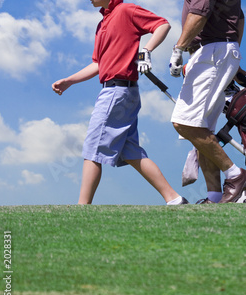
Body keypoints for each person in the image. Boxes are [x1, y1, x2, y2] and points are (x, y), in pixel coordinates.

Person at [52, 0, 188, 205]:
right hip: (120, 92)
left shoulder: (126, 10)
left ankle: (82, 208)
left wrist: (146, 50)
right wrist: (69, 81)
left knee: (93, 147)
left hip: (116, 92)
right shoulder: (101, 24)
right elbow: (98, 63)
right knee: (130, 151)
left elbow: (162, 24)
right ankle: (174, 199)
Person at [169, 0, 246, 204]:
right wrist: (234, 54)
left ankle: (235, 175)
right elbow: (239, 18)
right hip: (217, 51)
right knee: (202, 129)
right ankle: (214, 197)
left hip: (212, 52)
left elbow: (199, 13)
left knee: (184, 123)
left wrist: (178, 48)